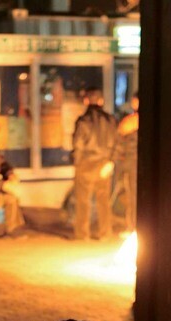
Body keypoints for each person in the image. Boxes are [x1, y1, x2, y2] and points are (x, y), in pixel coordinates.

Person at [72, 87, 118, 241]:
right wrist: (110, 162)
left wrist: (77, 164)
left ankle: (82, 234)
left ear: (86, 100)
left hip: (86, 164)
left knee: (83, 201)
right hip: (104, 164)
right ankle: (105, 233)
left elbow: (78, 145)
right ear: (101, 101)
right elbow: (117, 143)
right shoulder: (111, 120)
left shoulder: (83, 121)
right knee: (103, 201)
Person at [115, 91, 139, 234]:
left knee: (133, 197)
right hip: (137, 164)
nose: (132, 103)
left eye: (134, 101)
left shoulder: (130, 121)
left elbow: (119, 140)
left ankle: (133, 228)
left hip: (131, 164)